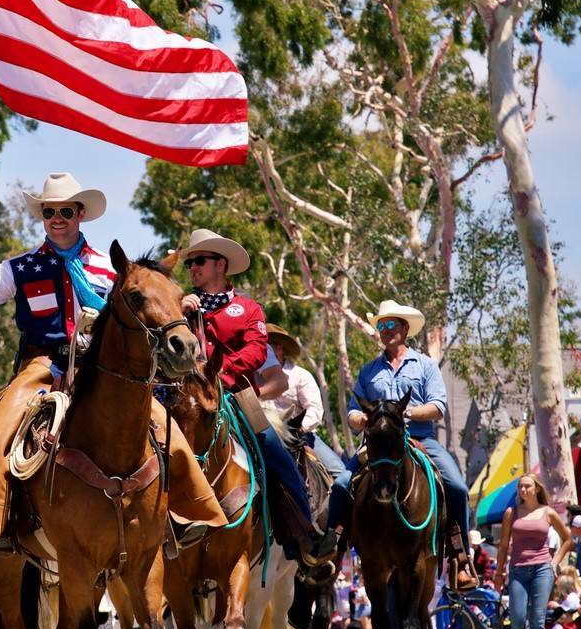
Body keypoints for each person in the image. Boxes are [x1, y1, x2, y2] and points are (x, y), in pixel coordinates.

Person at [0, 172, 225, 553]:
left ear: (80, 213)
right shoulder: (21, 267)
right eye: (49, 211)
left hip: (99, 366)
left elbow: (140, 306)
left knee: (164, 426)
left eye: (65, 211)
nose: (57, 218)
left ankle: (187, 516)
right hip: (42, 365)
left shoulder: (109, 266)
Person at [177, 228, 329, 569]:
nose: (193, 269)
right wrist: (179, 311)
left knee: (275, 451)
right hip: (187, 397)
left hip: (237, 395)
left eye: (199, 261)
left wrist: (220, 372)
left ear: (221, 265)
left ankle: (301, 534)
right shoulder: (181, 307)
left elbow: (257, 351)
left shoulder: (248, 309)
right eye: (189, 263)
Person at [322, 299, 478, 589]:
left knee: (457, 486)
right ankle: (334, 547)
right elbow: (354, 408)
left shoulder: (425, 366)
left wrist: (401, 413)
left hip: (421, 439)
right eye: (381, 325)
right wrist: (359, 419)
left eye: (391, 324)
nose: (385, 330)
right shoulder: (368, 370)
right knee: (342, 483)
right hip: (380, 445)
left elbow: (437, 407)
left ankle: (460, 556)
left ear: (405, 329)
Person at [494, 474, 574, 629]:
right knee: (518, 618)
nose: (522, 490)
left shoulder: (547, 513)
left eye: (527, 486)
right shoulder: (512, 513)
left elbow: (567, 539)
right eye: (520, 487)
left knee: (538, 619)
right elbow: (503, 545)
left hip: (542, 569)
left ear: (536, 489)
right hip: (518, 569)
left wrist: (554, 563)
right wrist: (499, 572)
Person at [263, 325, 346, 479]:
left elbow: (315, 410)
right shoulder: (254, 376)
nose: (261, 350)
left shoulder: (301, 375)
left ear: (279, 348)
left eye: (265, 345)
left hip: (301, 436)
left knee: (342, 476)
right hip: (266, 436)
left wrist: (299, 428)